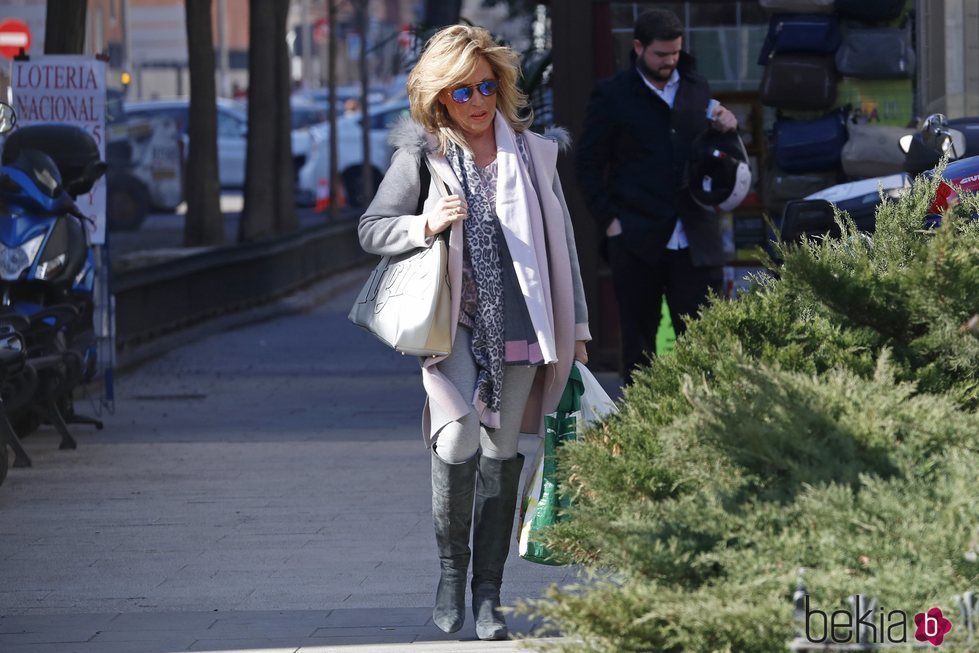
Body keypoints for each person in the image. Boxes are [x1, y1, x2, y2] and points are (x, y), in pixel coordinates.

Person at [357, 25, 591, 641]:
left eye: (488, 85)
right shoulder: (424, 156)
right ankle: (447, 572)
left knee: (503, 452)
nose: (479, 101)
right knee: (458, 438)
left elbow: (563, 246)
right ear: (439, 99)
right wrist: (425, 224)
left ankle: (488, 593)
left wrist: (581, 329)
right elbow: (372, 228)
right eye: (462, 92)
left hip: (523, 323)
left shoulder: (535, 153)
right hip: (454, 326)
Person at [576, 8, 738, 385]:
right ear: (638, 48)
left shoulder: (697, 88)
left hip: (694, 234)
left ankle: (702, 421)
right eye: (660, 55)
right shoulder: (612, 95)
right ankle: (642, 424)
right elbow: (587, 163)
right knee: (639, 345)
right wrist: (610, 220)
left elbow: (710, 154)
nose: (669, 62)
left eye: (675, 53)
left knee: (702, 340)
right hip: (635, 236)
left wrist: (725, 128)